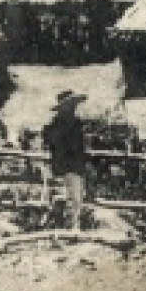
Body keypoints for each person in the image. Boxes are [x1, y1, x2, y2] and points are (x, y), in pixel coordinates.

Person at [44, 90, 89, 227]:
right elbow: (56, 146)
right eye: (70, 106)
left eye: (74, 106)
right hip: (66, 167)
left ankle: (69, 227)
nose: (73, 109)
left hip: (73, 167)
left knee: (74, 200)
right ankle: (68, 228)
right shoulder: (57, 127)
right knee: (71, 200)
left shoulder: (75, 125)